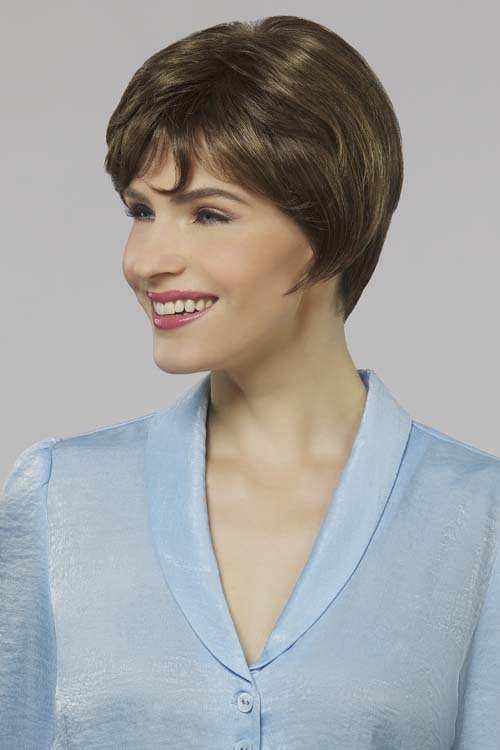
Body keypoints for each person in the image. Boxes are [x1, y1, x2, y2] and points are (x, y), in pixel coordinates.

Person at [1, 14, 499, 750]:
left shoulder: (479, 519)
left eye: (208, 214)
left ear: (327, 233)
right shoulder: (58, 501)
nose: (146, 260)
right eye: (141, 211)